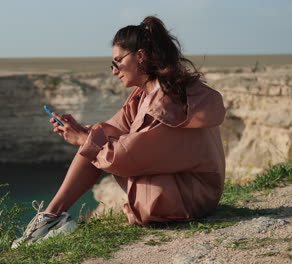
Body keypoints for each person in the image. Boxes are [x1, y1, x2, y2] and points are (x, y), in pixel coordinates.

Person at [12, 16, 225, 248]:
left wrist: (84, 140)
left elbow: (126, 158)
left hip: (189, 199)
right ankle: (51, 216)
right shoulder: (149, 92)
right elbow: (112, 129)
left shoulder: (165, 102)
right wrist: (80, 131)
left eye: (117, 62)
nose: (114, 71)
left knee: (96, 141)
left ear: (140, 56)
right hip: (188, 189)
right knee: (97, 133)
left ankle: (50, 219)